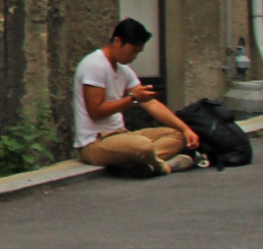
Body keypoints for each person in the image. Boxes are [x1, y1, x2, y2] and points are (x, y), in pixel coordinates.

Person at [73, 18, 202, 175]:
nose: (134, 57)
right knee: (143, 146)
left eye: (138, 52)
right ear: (117, 41)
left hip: (121, 135)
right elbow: (96, 111)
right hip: (95, 143)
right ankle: (161, 165)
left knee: (177, 135)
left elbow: (151, 104)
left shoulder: (124, 70)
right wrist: (133, 99)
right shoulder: (94, 65)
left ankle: (145, 164)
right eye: (133, 51)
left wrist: (185, 129)